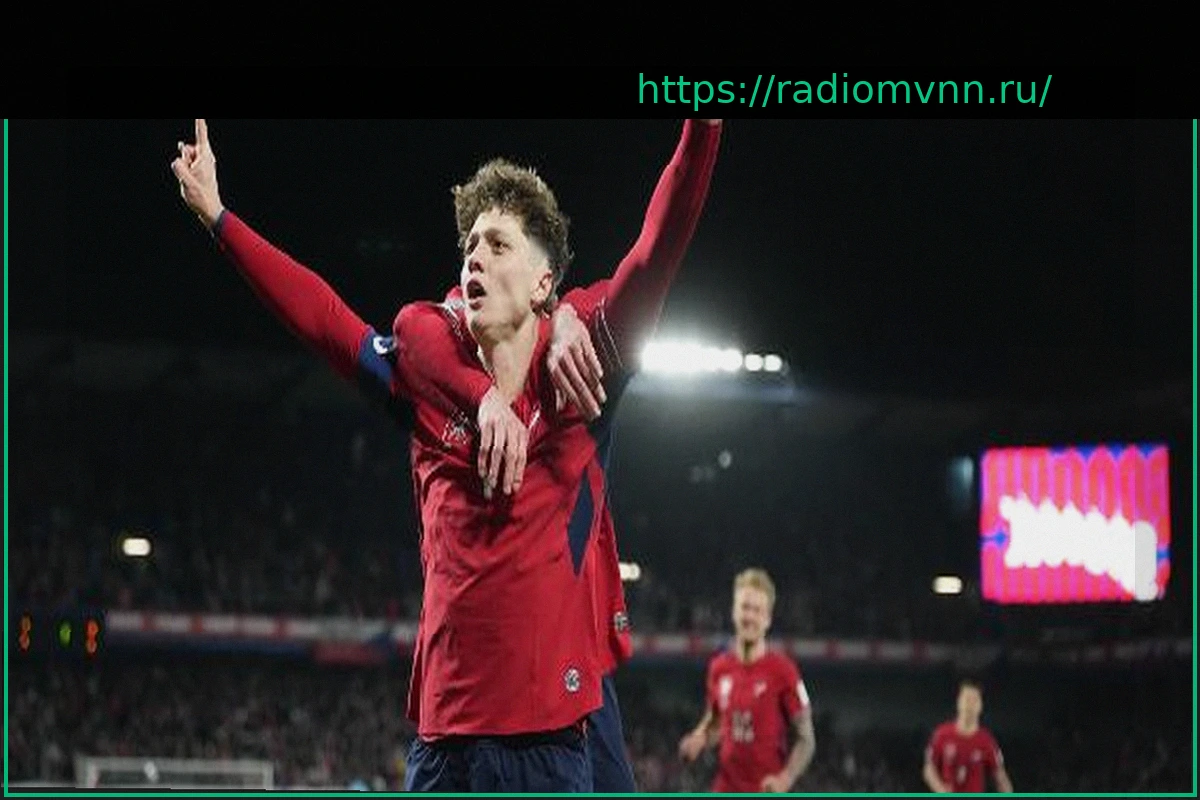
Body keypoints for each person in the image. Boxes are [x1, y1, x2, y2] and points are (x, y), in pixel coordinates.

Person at [171, 117, 722, 792]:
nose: (474, 257)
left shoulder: (583, 366)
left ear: (544, 283)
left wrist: (704, 121)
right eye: (470, 245)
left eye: (498, 244)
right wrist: (219, 217)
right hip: (441, 746)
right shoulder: (424, 378)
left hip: (546, 739)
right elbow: (325, 319)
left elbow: (658, 245)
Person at [679, 568, 816, 792]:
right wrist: (699, 739)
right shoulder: (719, 668)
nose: (749, 617)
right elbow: (716, 722)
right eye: (745, 607)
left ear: (768, 619)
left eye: (757, 610)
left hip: (765, 790)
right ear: (734, 611)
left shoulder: (784, 671)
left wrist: (785, 779)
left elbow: (806, 739)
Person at [923, 679, 1014, 793]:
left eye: (974, 700)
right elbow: (929, 768)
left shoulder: (987, 741)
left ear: (980, 705)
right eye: (966, 699)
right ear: (958, 702)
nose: (969, 704)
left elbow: (1000, 776)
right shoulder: (941, 734)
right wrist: (941, 790)